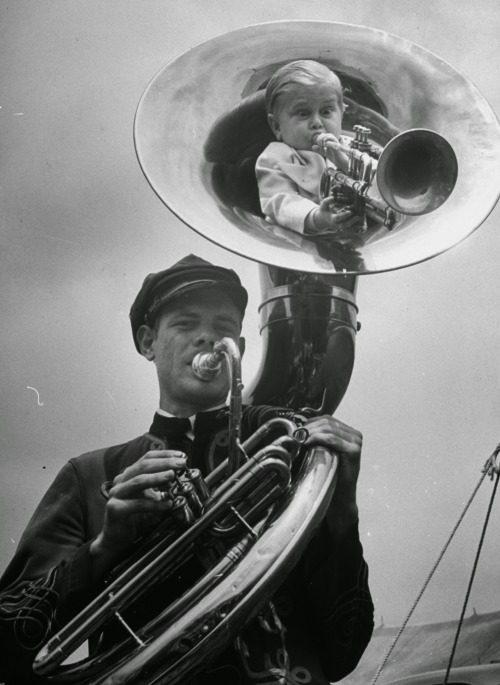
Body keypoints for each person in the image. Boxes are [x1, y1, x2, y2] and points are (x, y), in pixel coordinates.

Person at [0, 254, 374, 684]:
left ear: (240, 347)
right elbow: (8, 645)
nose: (207, 339)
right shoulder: (88, 477)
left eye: (223, 328)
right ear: (147, 342)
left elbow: (346, 649)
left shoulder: (291, 455)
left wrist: (342, 515)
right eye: (185, 324)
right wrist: (104, 548)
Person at [256, 60, 360, 237]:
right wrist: (316, 217)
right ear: (277, 126)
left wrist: (345, 164)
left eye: (326, 112)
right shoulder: (275, 157)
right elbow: (280, 202)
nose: (317, 123)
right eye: (303, 113)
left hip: (354, 241)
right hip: (292, 248)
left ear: (342, 113)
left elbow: (381, 187)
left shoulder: (351, 147)